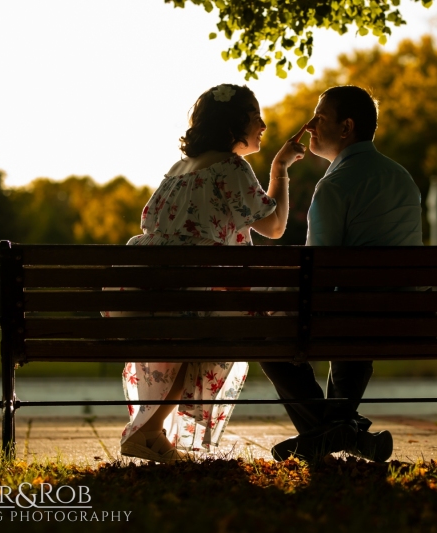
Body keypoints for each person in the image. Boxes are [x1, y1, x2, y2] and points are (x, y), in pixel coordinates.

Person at [111, 84, 307, 463]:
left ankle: (152, 435)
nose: (263, 124)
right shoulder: (232, 168)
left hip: (147, 292)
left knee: (196, 332)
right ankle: (147, 431)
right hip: (193, 296)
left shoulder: (176, 171)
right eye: (254, 117)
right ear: (233, 124)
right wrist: (280, 169)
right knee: (230, 329)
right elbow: (275, 227)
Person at [260, 85, 423, 462]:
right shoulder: (402, 177)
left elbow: (318, 271)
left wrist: (282, 308)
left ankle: (333, 434)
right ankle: (345, 432)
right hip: (402, 315)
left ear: (346, 127)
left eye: (320, 118)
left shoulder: (334, 184)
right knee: (351, 314)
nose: (310, 125)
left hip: (352, 316)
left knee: (269, 337)